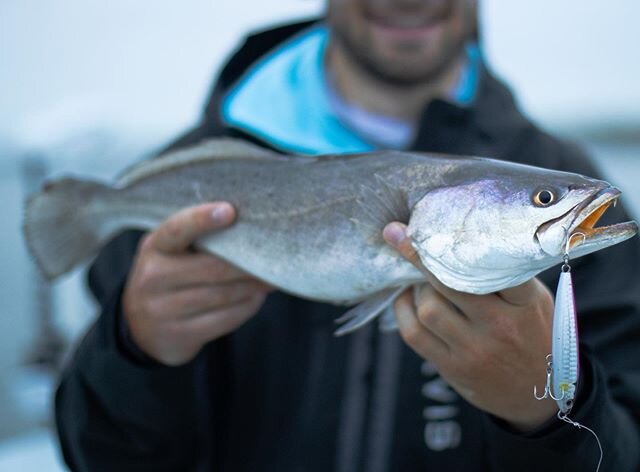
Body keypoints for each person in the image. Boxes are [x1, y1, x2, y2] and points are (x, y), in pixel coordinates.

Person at [55, 1, 640, 471]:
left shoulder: (560, 171)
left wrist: (547, 409)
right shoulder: (190, 179)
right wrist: (135, 352)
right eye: (544, 201)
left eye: (543, 201)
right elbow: (94, 455)